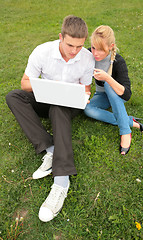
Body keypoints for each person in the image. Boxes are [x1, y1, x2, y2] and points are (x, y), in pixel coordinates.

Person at [6, 15, 94, 222]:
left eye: (79, 46)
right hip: (43, 98)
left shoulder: (87, 58)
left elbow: (87, 89)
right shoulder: (42, 52)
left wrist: (77, 95)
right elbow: (25, 83)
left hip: (68, 106)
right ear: (61, 37)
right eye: (70, 45)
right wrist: (51, 89)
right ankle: (51, 149)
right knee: (14, 97)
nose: (74, 51)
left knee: (59, 107)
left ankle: (61, 182)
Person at [84, 25, 143, 155]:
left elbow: (127, 95)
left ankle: (125, 132)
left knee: (108, 84)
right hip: (100, 95)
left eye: (100, 49)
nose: (95, 53)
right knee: (87, 109)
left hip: (116, 96)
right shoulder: (88, 55)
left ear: (111, 46)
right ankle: (129, 121)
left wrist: (107, 78)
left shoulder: (118, 62)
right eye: (94, 47)